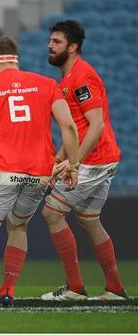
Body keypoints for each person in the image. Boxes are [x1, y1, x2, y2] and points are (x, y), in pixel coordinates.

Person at [0, 35, 80, 307]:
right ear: (16, 60)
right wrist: (72, 165)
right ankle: (7, 291)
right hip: (40, 174)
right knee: (18, 226)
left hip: (5, 172)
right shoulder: (47, 84)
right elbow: (70, 127)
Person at [40, 20, 128, 301]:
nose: (49, 46)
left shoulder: (82, 77)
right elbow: (76, 129)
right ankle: (115, 288)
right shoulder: (67, 79)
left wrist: (75, 163)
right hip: (99, 158)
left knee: (52, 214)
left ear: (73, 47)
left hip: (94, 160)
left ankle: (75, 288)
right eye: (50, 41)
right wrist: (60, 158)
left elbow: (97, 124)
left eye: (56, 42)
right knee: (90, 220)